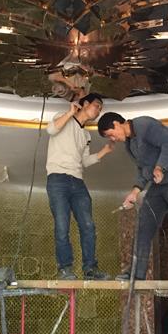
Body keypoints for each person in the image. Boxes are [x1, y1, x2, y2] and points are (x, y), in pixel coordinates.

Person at [97, 112, 168, 285]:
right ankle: (136, 273)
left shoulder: (145, 125)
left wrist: (160, 167)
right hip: (158, 183)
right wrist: (135, 192)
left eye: (111, 134)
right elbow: (143, 170)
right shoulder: (130, 145)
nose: (113, 139)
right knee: (144, 223)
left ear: (117, 124)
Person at [46, 93, 114, 280]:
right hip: (57, 179)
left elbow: (84, 161)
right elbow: (51, 130)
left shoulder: (86, 135)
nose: (98, 111)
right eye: (97, 105)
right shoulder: (63, 117)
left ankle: (90, 269)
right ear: (85, 104)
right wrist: (70, 113)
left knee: (88, 226)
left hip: (77, 181)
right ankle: (65, 269)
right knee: (62, 225)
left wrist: (104, 151)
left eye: (100, 108)